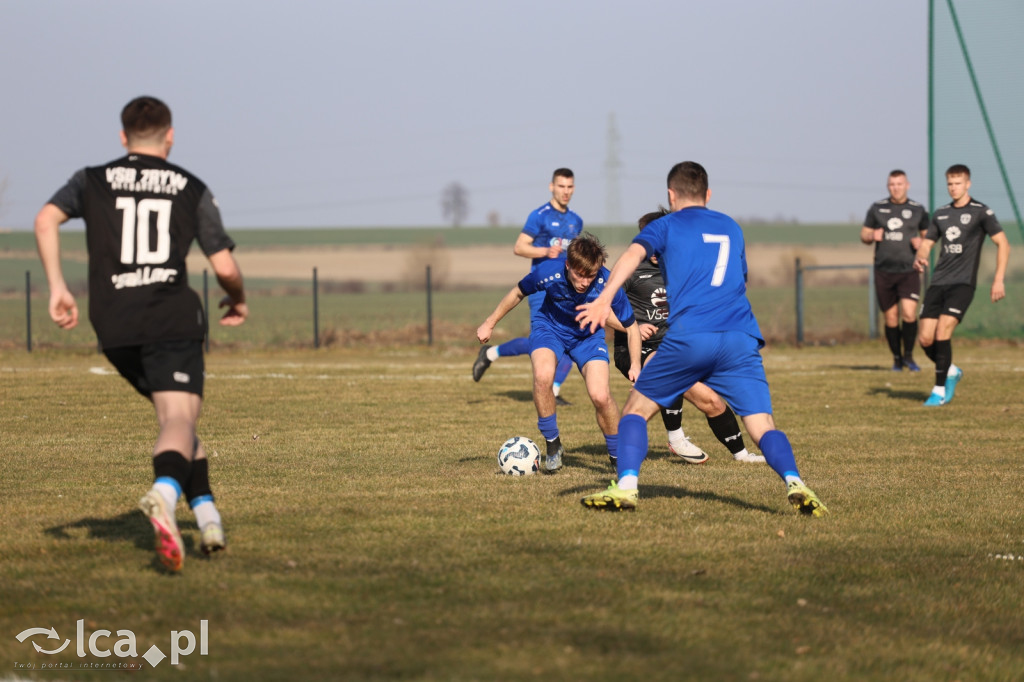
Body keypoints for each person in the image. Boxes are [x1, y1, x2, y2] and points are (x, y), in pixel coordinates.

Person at [34, 96, 249, 572]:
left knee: (181, 420)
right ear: (170, 136)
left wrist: (57, 288)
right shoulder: (190, 187)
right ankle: (163, 494)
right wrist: (238, 296)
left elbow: (45, 219)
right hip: (168, 317)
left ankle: (209, 517)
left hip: (113, 324)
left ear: (122, 137)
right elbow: (225, 266)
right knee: (179, 415)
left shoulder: (91, 179)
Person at [576, 161, 827, 516]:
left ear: (671, 195)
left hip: (691, 335)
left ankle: (627, 487)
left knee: (635, 410)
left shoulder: (666, 224)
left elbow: (633, 254)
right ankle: (795, 481)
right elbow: (741, 277)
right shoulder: (732, 227)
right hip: (741, 337)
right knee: (761, 425)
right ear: (708, 195)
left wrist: (604, 299)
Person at [477, 232, 640, 473]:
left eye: (591, 276)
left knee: (600, 396)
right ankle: (553, 445)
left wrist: (635, 364)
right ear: (568, 265)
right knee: (543, 377)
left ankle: (617, 456)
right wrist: (489, 323)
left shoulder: (608, 282)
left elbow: (631, 327)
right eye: (579, 275)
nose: (585, 282)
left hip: (588, 335)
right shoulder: (548, 273)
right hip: (549, 328)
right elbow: (517, 293)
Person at [614, 208, 765, 464]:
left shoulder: (682, 270)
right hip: (636, 349)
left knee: (713, 401)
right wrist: (632, 326)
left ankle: (742, 455)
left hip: (676, 347)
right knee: (667, 369)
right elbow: (603, 308)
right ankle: (675, 438)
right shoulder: (631, 271)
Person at [473, 168, 582, 405]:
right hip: (541, 287)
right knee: (541, 341)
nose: (566, 191)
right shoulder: (539, 216)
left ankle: (550, 390)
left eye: (570, 187)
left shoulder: (576, 221)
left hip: (568, 289)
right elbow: (519, 247)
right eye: (561, 186)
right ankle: (492, 353)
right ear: (551, 187)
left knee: (572, 338)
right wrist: (544, 251)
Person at [914, 164, 1010, 407]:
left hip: (963, 283)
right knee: (925, 339)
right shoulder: (941, 214)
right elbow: (927, 243)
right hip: (938, 282)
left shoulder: (981, 212)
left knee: (943, 330)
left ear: (968, 184)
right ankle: (952, 370)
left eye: (958, 183)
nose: (953, 188)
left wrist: (998, 279)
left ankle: (938, 391)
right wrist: (921, 255)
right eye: (950, 183)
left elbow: (1003, 244)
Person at [860, 170, 929, 371]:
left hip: (909, 270)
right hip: (884, 270)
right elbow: (863, 234)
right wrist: (872, 235)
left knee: (908, 313)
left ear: (907, 185)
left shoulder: (918, 210)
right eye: (892, 184)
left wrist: (921, 243)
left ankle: (908, 355)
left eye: (899, 184)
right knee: (891, 317)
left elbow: (929, 238)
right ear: (888, 186)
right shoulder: (877, 208)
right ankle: (897, 358)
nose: (895, 188)